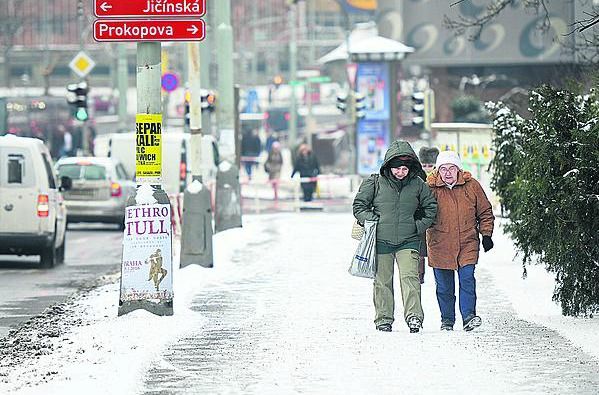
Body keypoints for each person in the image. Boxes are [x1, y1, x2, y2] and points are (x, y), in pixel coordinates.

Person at [353, 140, 437, 333]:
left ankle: (414, 316)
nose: (401, 172)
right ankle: (383, 318)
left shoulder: (418, 185)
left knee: (410, 279)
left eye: (404, 169)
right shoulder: (374, 183)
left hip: (408, 241)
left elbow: (431, 207)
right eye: (397, 168)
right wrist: (373, 220)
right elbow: (359, 206)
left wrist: (418, 226)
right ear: (388, 166)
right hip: (381, 241)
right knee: (382, 281)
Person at [426, 150, 495, 332]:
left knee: (467, 279)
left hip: (467, 242)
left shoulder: (471, 186)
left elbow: (485, 212)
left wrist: (486, 234)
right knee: (444, 287)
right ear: (437, 171)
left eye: (451, 168)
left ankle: (468, 317)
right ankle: (447, 320)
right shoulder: (430, 188)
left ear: (458, 169)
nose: (447, 173)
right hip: (439, 243)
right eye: (443, 169)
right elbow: (420, 213)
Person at [416, 146, 440, 284]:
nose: (427, 168)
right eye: (424, 165)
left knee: (436, 249)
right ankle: (419, 277)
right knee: (419, 250)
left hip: (436, 219)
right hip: (421, 218)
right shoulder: (417, 176)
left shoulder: (441, 175)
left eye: (430, 165)